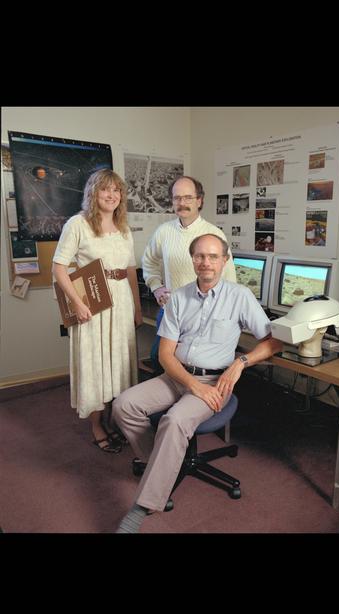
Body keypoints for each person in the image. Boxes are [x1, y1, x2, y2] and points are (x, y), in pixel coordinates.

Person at [113, 233, 283, 533]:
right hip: (177, 375)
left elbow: (273, 342)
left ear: (224, 261)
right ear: (192, 260)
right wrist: (192, 385)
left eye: (213, 256)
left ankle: (143, 507)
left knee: (175, 420)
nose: (206, 262)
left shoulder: (240, 296)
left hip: (215, 381)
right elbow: (165, 355)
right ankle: (162, 467)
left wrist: (240, 363)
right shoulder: (179, 298)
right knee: (124, 405)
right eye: (200, 256)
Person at [52, 169, 143, 454]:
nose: (112, 195)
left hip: (122, 302)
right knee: (96, 366)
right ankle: (97, 425)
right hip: (93, 305)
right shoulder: (77, 224)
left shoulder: (124, 228)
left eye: (117, 190)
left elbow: (130, 270)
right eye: (106, 189)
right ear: (93, 192)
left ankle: (117, 419)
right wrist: (78, 304)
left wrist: (137, 308)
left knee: (119, 363)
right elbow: (59, 268)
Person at [142, 176, 236, 366]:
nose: (182, 203)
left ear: (199, 200)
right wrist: (156, 287)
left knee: (192, 366)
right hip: (170, 314)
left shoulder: (214, 234)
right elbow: (149, 262)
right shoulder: (163, 232)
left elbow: (229, 279)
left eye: (188, 197)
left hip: (203, 318)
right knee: (160, 362)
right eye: (177, 198)